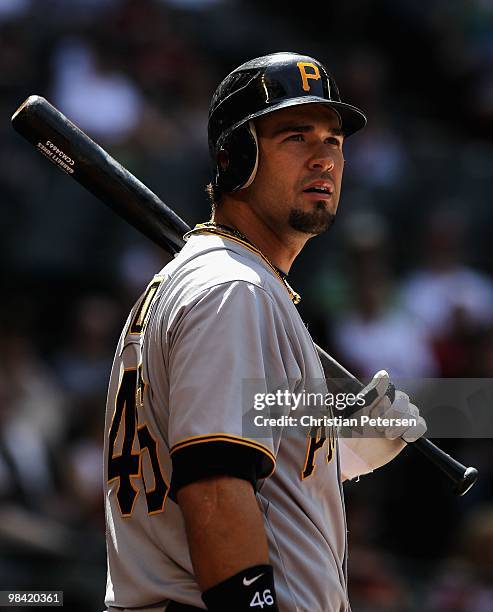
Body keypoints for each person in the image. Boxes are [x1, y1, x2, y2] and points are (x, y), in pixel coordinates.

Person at [103, 52, 427, 612]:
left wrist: (341, 446)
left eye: (334, 140)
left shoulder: (225, 282)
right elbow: (214, 485)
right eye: (295, 137)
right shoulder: (234, 290)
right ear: (236, 159)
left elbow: (246, 461)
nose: (324, 158)